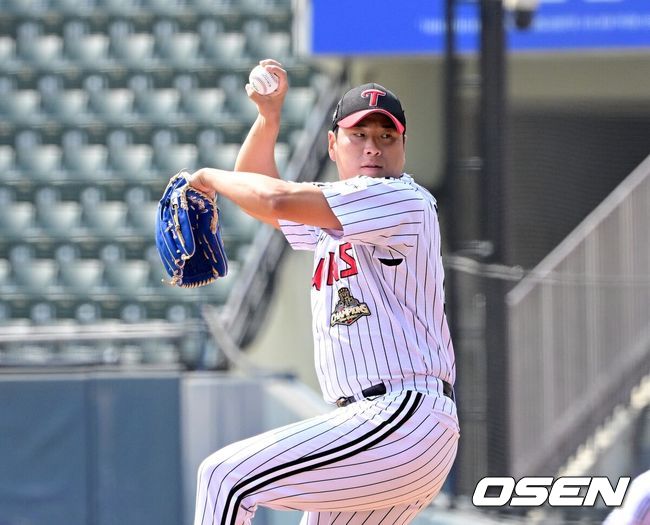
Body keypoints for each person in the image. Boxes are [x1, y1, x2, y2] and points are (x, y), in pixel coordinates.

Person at [189, 59, 459, 525]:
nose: (373, 146)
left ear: (403, 147)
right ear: (332, 144)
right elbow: (266, 197)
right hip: (384, 430)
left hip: (400, 416)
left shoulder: (401, 198)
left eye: (387, 136)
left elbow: (274, 197)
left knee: (224, 477)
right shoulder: (334, 216)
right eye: (359, 134)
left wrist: (208, 178)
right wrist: (268, 118)